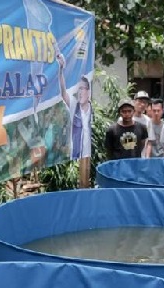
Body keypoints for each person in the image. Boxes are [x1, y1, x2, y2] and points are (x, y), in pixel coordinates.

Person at [56, 55, 92, 188]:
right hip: (74, 153)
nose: (80, 92)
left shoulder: (92, 108)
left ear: (88, 91)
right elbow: (63, 92)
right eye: (79, 89)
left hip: (87, 154)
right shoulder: (74, 106)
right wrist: (61, 70)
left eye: (83, 88)